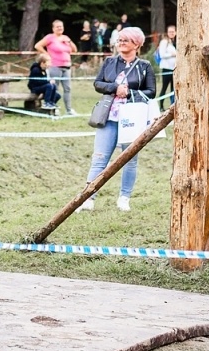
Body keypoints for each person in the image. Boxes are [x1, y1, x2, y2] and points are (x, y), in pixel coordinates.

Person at [77, 26, 155, 212]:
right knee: (99, 158)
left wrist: (129, 93)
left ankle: (124, 197)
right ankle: (88, 198)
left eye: (125, 40)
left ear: (136, 44)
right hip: (109, 117)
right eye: (119, 40)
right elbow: (98, 83)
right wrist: (114, 87)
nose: (120, 43)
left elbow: (151, 92)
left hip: (133, 119)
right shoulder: (109, 62)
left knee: (129, 159)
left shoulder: (145, 67)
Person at [33, 19, 78, 115]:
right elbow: (37, 46)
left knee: (67, 89)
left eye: (61, 26)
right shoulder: (50, 37)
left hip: (66, 67)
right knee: (54, 87)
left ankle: (69, 109)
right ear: (53, 28)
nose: (60, 28)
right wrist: (47, 55)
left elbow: (74, 50)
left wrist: (69, 41)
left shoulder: (66, 38)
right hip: (55, 66)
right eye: (57, 26)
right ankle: (54, 107)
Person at [155, 24, 178, 110]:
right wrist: (172, 54)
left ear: (175, 32)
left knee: (174, 88)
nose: (171, 33)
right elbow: (162, 54)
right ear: (167, 33)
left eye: (173, 32)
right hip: (166, 68)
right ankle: (161, 106)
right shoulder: (164, 42)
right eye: (170, 32)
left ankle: (173, 106)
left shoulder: (175, 42)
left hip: (174, 68)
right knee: (164, 87)